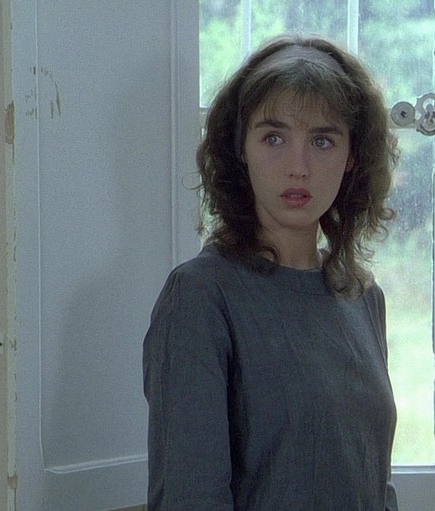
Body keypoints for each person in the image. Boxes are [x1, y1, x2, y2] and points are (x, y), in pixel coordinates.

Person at [143, 34, 399, 510]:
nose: (298, 168)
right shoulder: (200, 296)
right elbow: (191, 497)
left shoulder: (362, 297)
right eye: (274, 138)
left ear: (352, 157)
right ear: (240, 148)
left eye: (322, 140)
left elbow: (373, 484)